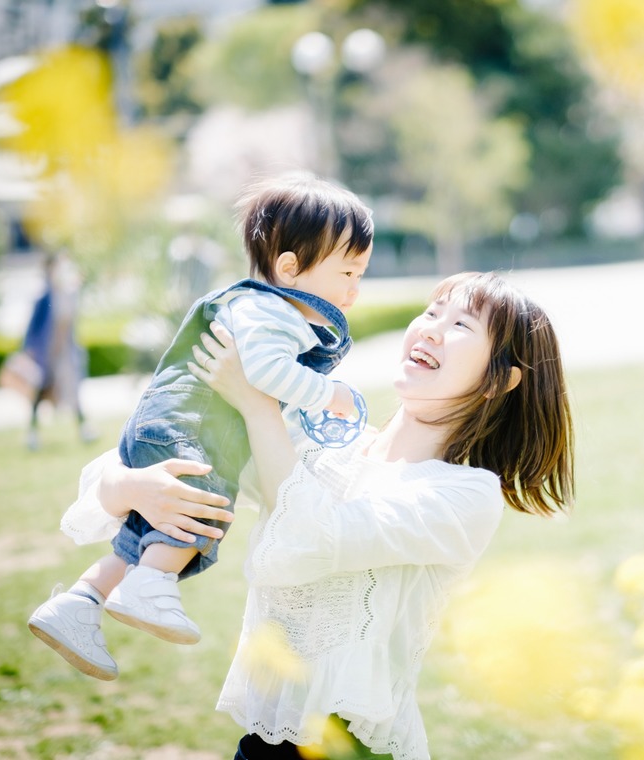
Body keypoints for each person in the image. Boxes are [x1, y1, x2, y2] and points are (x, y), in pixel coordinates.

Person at [60, 271, 575, 759]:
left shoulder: (464, 496)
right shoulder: (324, 447)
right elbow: (183, 459)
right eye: (433, 311)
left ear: (499, 381)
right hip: (265, 743)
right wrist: (122, 485)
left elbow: (302, 543)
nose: (432, 330)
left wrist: (258, 406)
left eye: (461, 325)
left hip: (357, 749)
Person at [29, 173, 374, 681]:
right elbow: (262, 374)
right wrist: (331, 393)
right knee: (202, 511)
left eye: (360, 276)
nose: (354, 288)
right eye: (347, 272)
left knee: (146, 530)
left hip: (163, 430)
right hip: (189, 431)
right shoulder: (268, 313)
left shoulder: (257, 308)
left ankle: (79, 604)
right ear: (290, 268)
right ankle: (152, 587)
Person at [22, 251, 95, 451]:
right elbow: (32, 328)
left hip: (65, 355)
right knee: (40, 394)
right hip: (46, 356)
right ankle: (32, 434)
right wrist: (29, 351)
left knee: (73, 391)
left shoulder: (66, 293)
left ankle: (84, 429)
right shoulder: (44, 296)